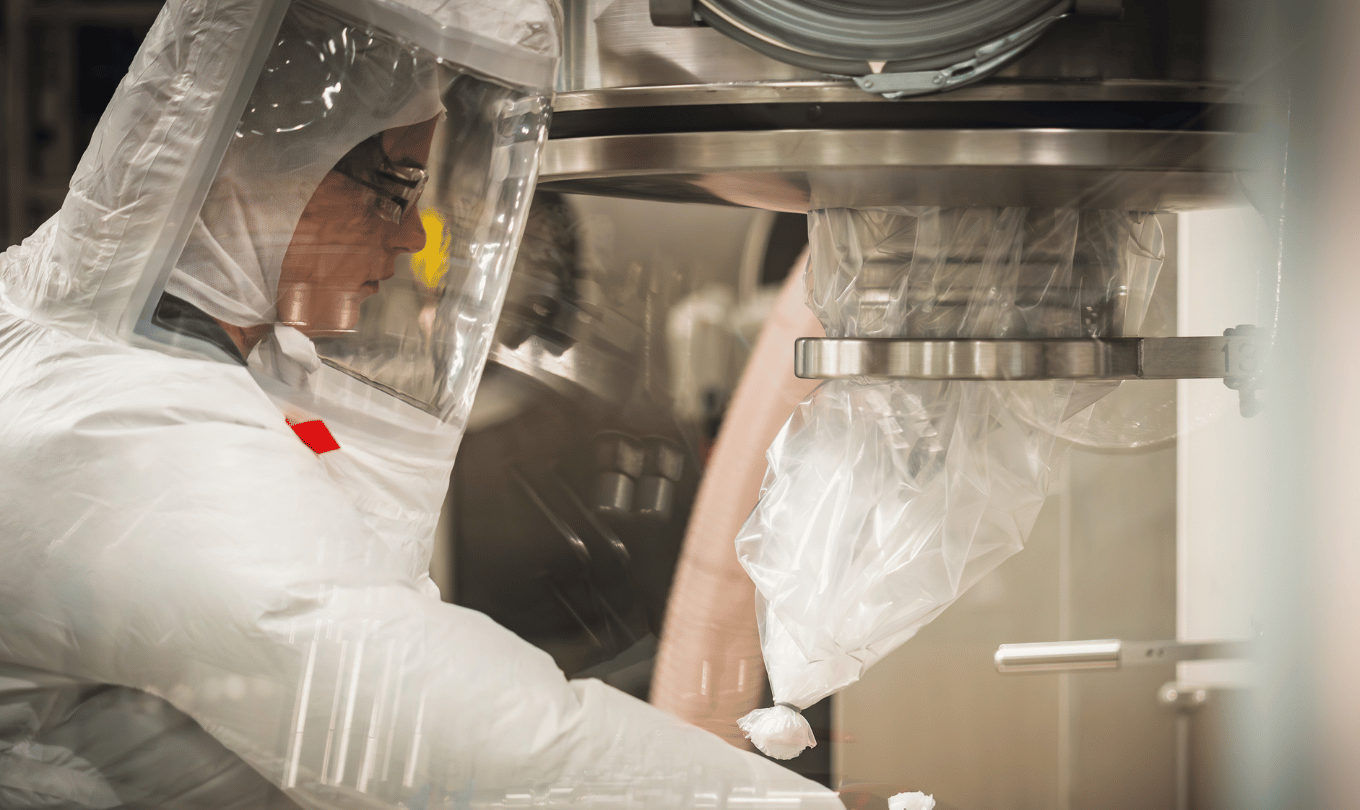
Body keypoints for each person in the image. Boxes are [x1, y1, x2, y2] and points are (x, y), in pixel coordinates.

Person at [0, 0, 843, 808]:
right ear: (250, 175)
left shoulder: (192, 360)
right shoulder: (116, 425)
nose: (411, 236)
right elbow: (411, 718)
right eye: (396, 186)